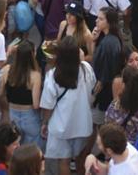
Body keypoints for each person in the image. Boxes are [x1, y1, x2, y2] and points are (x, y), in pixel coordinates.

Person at [41, 37, 96, 175]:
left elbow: (48, 105)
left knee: (64, 161)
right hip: (83, 124)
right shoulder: (86, 70)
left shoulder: (53, 76)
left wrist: (45, 123)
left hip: (61, 127)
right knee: (80, 159)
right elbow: (93, 91)